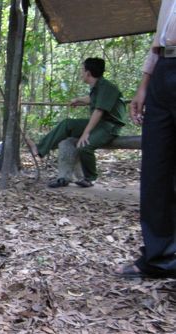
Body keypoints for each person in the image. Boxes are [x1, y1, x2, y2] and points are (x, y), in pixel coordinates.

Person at [115, 0, 176, 279]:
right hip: (164, 67)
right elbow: (159, 36)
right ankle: (159, 257)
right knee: (156, 169)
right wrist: (145, 83)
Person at [28, 57, 126, 188]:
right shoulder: (97, 86)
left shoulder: (107, 87)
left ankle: (90, 178)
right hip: (99, 123)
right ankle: (40, 149)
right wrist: (77, 100)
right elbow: (91, 99)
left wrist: (86, 133)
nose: (81, 73)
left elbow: (98, 111)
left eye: (82, 70)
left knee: (84, 146)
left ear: (88, 73)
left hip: (110, 126)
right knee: (67, 123)